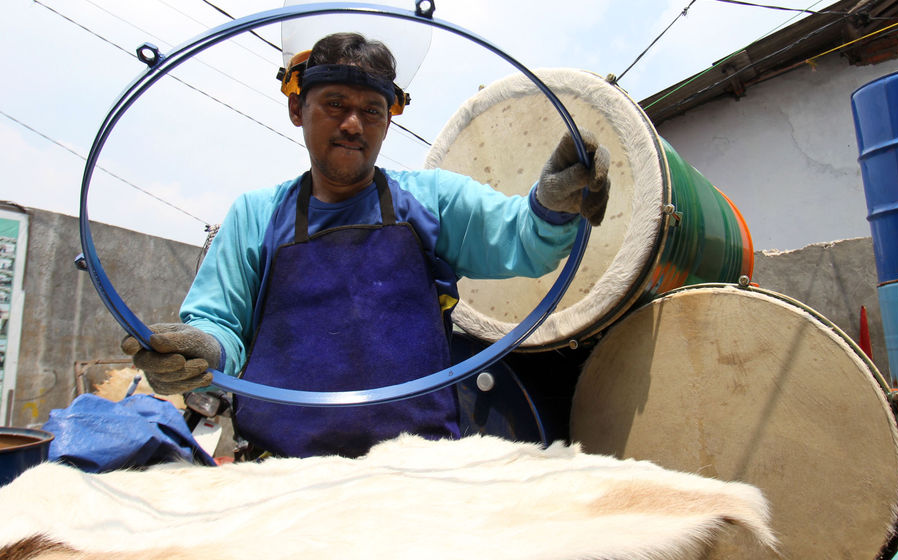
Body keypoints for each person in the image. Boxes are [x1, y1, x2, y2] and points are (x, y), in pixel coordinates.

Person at [122, 32, 610, 459]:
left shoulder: (432, 200)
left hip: (420, 472)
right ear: (298, 109)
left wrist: (552, 203)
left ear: (387, 119)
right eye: (335, 104)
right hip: (279, 477)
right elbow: (219, 325)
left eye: (371, 110)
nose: (354, 124)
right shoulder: (256, 215)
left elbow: (523, 241)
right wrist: (203, 353)